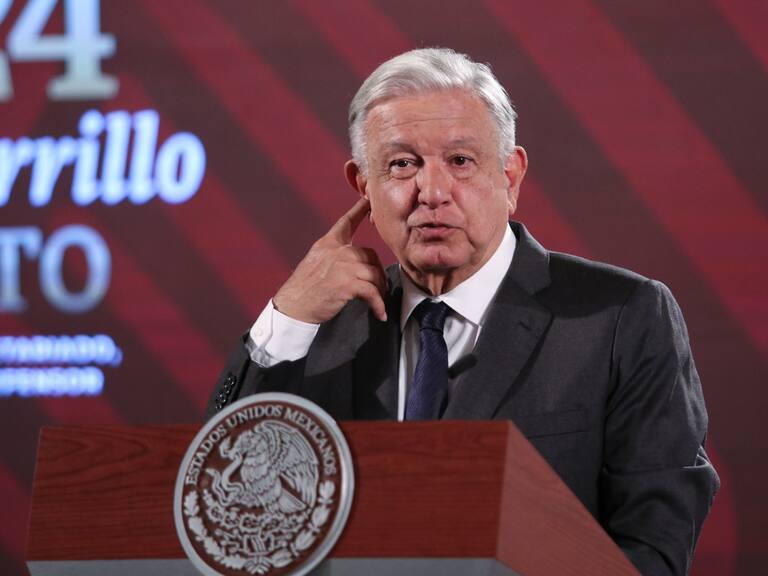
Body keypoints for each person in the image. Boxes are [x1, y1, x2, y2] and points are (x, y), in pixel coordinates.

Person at [207, 48, 719, 575]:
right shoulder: (321, 328)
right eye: (402, 164)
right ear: (363, 187)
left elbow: (654, 547)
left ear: (511, 176)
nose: (432, 192)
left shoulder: (619, 317)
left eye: (460, 161)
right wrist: (286, 318)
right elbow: (211, 506)